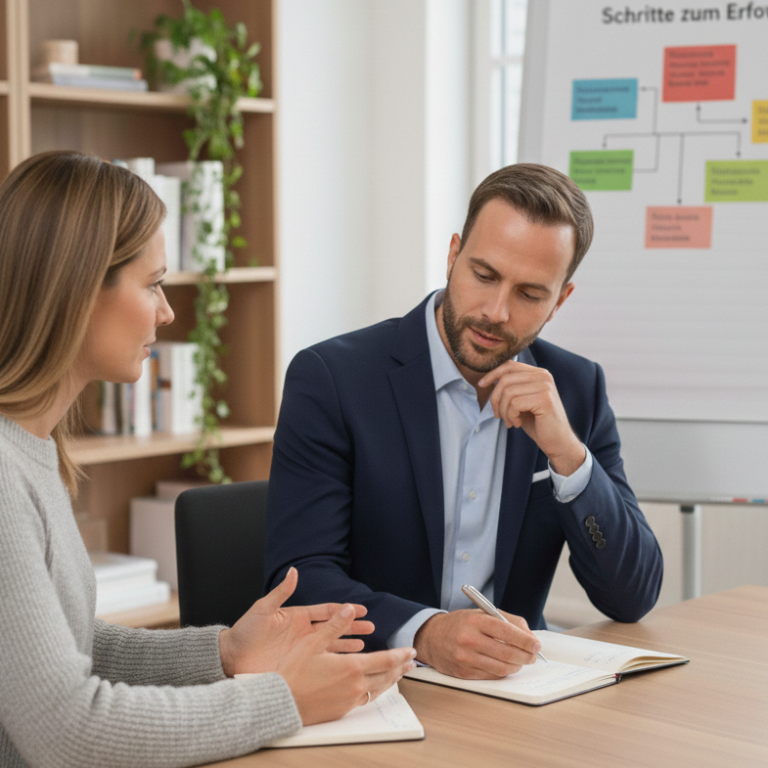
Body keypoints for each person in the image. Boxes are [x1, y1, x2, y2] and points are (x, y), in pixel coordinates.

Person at [0, 150, 416, 768]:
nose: (167, 311)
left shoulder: (31, 450)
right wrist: (283, 700)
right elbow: (68, 731)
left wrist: (225, 652)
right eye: (153, 284)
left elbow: (72, 645)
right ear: (80, 290)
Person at [264, 163, 664, 680]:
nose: (496, 312)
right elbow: (301, 580)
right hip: (375, 685)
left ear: (559, 301)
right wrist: (425, 633)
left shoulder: (576, 388)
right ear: (453, 256)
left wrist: (568, 455)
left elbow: (631, 596)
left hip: (512, 692)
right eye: (484, 275)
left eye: (529, 294)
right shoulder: (332, 379)